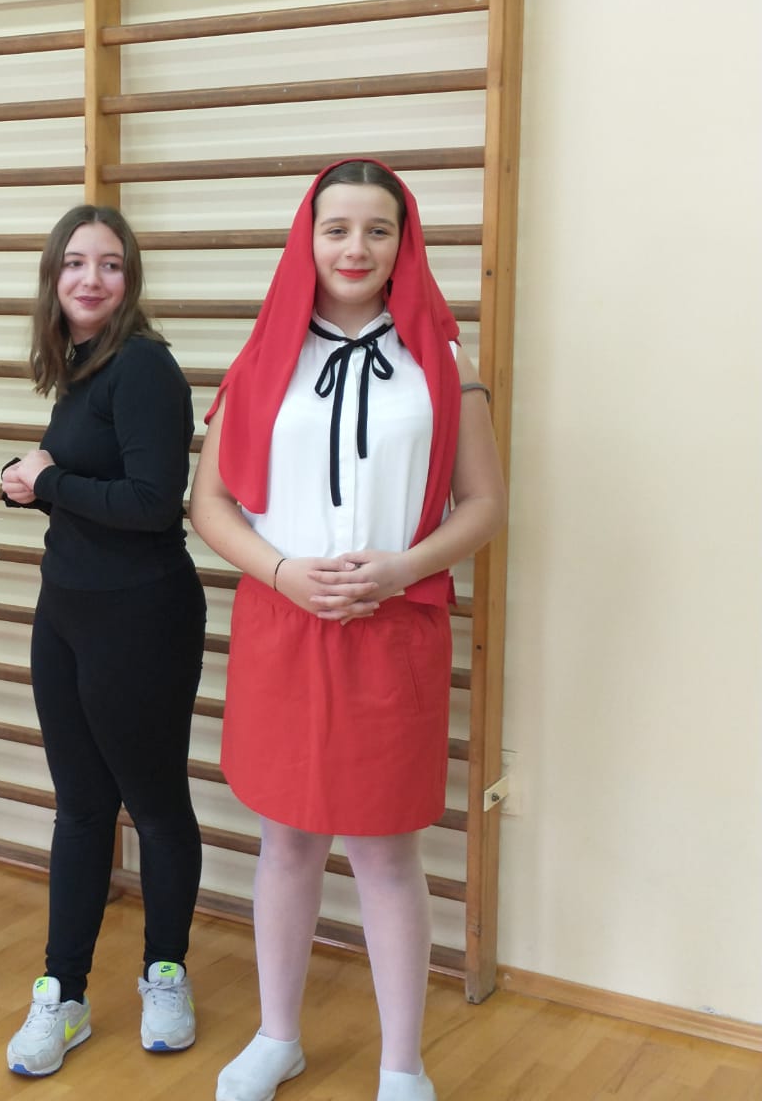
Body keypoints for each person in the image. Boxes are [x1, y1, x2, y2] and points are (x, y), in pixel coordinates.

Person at [189, 159, 506, 1101]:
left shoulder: (444, 365)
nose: (355, 248)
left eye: (377, 229)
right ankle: (277, 1037)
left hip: (392, 629)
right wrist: (282, 571)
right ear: (308, 239)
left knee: (383, 850)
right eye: (336, 228)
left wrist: (402, 567)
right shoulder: (260, 361)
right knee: (285, 840)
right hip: (280, 625)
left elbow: (484, 505)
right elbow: (209, 505)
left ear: (404, 244)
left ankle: (402, 1066)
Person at [1, 205, 207, 1077]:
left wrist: (51, 480)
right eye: (76, 263)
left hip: (141, 616)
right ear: (53, 277)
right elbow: (94, 485)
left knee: (154, 807)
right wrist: (31, 481)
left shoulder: (144, 366)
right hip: (67, 611)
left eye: (110, 264)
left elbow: (154, 506)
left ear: (130, 280)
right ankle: (64, 993)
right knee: (80, 808)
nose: (91, 278)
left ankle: (165, 973)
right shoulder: (79, 368)